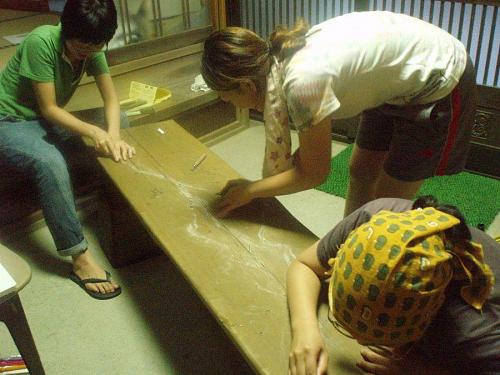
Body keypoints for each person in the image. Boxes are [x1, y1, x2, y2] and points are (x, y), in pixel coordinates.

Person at [201, 11, 477, 218]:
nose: (237, 106)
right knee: (361, 170)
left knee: (386, 203)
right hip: (396, 76)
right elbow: (311, 160)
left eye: (230, 98)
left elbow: (314, 174)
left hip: (437, 75)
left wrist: (251, 190)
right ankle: (349, 243)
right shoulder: (279, 58)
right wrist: (257, 186)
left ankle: (368, 267)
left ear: (247, 85)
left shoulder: (302, 85)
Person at [0, 0, 136, 299]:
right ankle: (80, 258)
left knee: (121, 120)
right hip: (10, 119)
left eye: (95, 45)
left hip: (45, 119)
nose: (87, 52)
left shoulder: (92, 47)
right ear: (66, 31)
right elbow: (49, 109)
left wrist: (112, 135)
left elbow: (112, 101)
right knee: (49, 162)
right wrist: (95, 132)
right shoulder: (42, 41)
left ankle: (117, 197)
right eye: (81, 46)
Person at [287, 195, 498, 375]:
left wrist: (423, 370)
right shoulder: (372, 224)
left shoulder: (474, 334)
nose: (360, 343)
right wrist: (305, 329)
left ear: (433, 310)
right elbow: (305, 265)